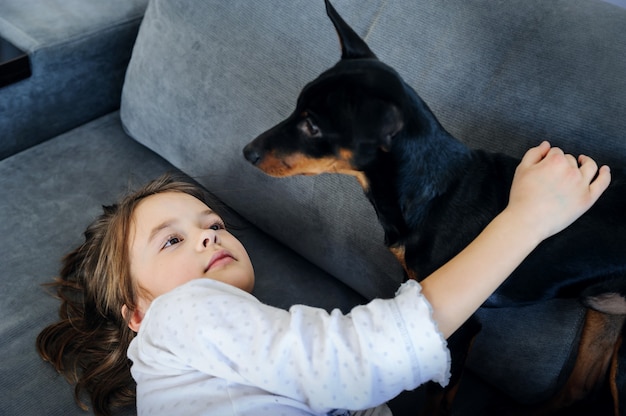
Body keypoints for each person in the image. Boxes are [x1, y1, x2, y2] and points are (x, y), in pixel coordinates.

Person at [36, 141, 610, 416]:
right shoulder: (179, 314)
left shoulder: (210, 363)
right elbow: (362, 357)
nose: (209, 235)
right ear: (138, 313)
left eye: (210, 223)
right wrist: (526, 219)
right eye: (173, 239)